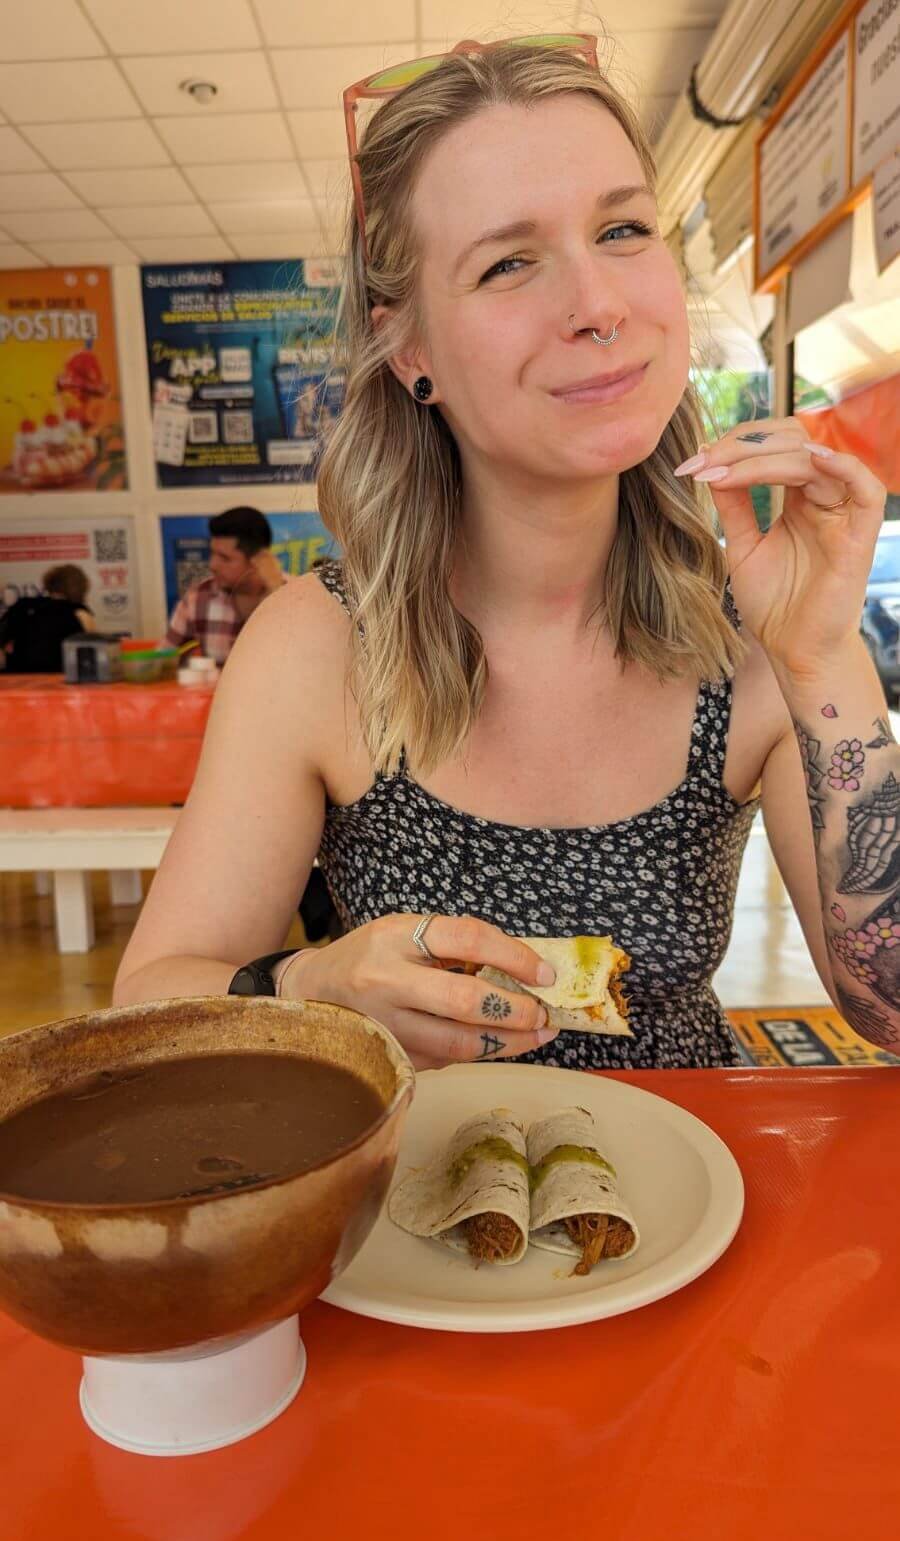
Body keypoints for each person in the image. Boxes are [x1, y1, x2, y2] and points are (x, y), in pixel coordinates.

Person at [116, 37, 893, 1071]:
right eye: (507, 262)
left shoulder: (751, 627)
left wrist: (824, 660)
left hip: (708, 1195)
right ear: (412, 349)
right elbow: (149, 1003)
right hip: (412, 1209)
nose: (599, 305)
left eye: (622, 228)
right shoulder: (319, 642)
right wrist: (306, 982)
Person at [164, 506, 286, 665]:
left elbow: (310, 660)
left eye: (225, 558)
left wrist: (277, 590)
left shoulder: (298, 596)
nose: (212, 565)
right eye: (212, 553)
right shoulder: (198, 598)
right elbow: (163, 659)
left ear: (260, 559)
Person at [0, 564, 94, 673]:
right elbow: (95, 652)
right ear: (80, 588)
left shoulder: (23, 606)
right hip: (62, 680)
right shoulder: (80, 612)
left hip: (20, 679)